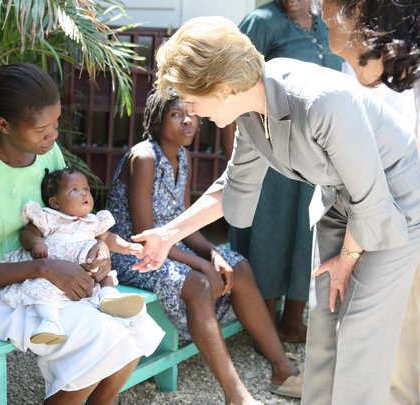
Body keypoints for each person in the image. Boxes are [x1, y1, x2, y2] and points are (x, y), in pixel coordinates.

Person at [130, 16, 420, 405]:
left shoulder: (320, 101)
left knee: (359, 333)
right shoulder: (252, 111)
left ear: (224, 88)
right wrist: (167, 235)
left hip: (393, 204)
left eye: (193, 100)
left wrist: (348, 257)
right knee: (324, 327)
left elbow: (369, 198)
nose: (193, 112)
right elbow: (230, 189)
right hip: (341, 202)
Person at [0, 62, 164, 405]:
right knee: (98, 333)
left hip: (54, 275)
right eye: (41, 128)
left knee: (134, 321)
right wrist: (43, 268)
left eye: (55, 123)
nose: (52, 135)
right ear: (3, 124)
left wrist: (99, 246)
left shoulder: (47, 154)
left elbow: (68, 216)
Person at [105, 87, 302, 402]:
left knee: (238, 265)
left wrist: (211, 254)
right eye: (176, 115)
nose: (188, 122)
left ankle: (282, 368)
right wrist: (200, 264)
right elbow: (145, 234)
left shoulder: (182, 157)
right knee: (197, 283)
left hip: (171, 249)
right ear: (157, 121)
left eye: (192, 115)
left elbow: (185, 223)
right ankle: (235, 394)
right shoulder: (143, 157)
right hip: (135, 256)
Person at [319, 1, 420, 403]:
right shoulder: (376, 70)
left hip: (404, 220)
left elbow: (381, 179)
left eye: (326, 12)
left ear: (359, 12)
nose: (318, 16)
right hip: (401, 228)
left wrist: (350, 251)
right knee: (399, 345)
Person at [225, 0, 344, 343]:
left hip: (317, 154)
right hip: (271, 151)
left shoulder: (325, 24)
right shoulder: (261, 21)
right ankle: (263, 329)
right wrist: (235, 151)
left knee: (306, 234)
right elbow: (232, 85)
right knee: (270, 234)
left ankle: (293, 321)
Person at [0, 167, 146, 345]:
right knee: (42, 288)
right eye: (74, 190)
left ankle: (109, 298)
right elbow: (28, 232)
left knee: (104, 274)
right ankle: (49, 322)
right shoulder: (50, 217)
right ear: (55, 202)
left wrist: (128, 247)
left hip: (85, 269)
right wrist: (35, 242)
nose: (84, 194)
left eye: (86, 189)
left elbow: (108, 238)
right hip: (55, 269)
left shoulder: (93, 221)